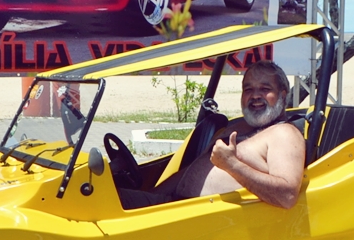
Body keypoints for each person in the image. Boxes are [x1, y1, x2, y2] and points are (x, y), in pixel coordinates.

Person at [119, 61, 306, 209]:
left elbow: (287, 196)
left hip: (207, 222)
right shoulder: (238, 126)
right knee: (110, 200)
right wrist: (151, 196)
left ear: (282, 95)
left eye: (265, 89)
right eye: (248, 89)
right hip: (173, 207)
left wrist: (232, 165)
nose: (255, 95)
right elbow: (191, 171)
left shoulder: (284, 134)